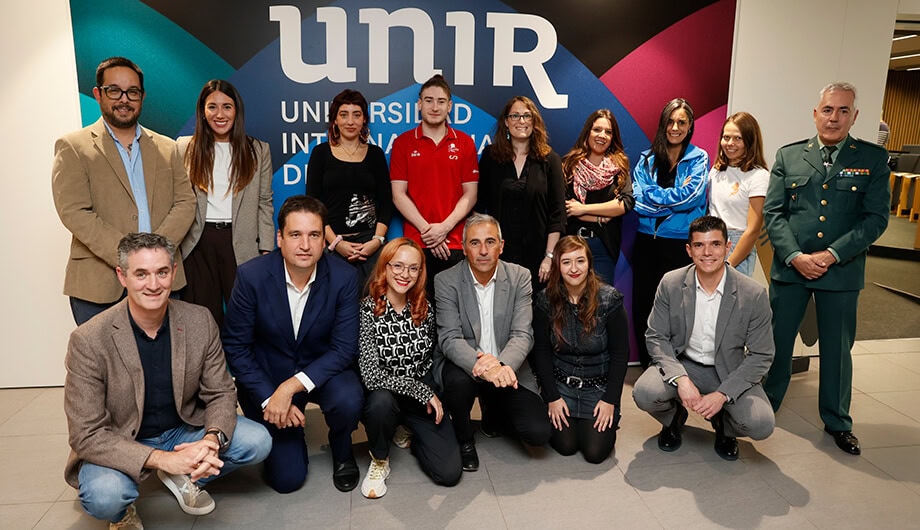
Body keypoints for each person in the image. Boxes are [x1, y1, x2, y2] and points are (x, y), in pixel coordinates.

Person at [63, 233, 271, 529]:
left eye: (162, 272)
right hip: (121, 438)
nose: (154, 284)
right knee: (105, 496)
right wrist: (160, 459)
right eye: (141, 274)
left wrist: (211, 440)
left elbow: (221, 392)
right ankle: (124, 512)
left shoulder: (199, 320)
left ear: (174, 272)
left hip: (181, 431)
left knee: (258, 441)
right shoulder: (89, 339)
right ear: (122, 276)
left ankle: (184, 473)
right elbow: (86, 434)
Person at [763, 82, 890, 456]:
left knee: (837, 350)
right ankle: (764, 407)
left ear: (854, 115)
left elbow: (875, 219)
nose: (834, 118)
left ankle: (837, 421)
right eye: (828, 110)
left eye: (843, 111)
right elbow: (774, 214)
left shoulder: (872, 159)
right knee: (777, 343)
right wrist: (796, 257)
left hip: (842, 271)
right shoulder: (789, 156)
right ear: (815, 113)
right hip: (792, 269)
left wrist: (833, 254)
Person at [222, 195, 364, 493]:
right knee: (287, 481)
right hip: (267, 379)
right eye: (295, 235)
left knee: (349, 397)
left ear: (324, 238)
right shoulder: (252, 276)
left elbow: (343, 348)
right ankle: (287, 435)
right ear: (280, 238)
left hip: (320, 370)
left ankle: (342, 449)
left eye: (314, 235)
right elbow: (236, 347)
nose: (305, 245)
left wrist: (291, 387)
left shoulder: (344, 277)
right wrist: (269, 397)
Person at [52, 56, 195, 325]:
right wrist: (130, 257)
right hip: (98, 286)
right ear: (98, 94)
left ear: (142, 96)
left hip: (162, 281)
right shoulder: (73, 147)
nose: (124, 99)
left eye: (132, 92)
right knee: (105, 366)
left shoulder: (168, 148)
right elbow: (73, 211)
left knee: (163, 364)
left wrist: (154, 256)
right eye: (114, 90)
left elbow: (186, 202)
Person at [632, 216, 775, 460]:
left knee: (761, 424)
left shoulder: (753, 293)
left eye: (715, 244)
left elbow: (762, 354)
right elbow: (656, 336)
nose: (707, 252)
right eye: (699, 245)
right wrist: (681, 379)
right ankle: (674, 419)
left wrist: (723, 394)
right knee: (644, 393)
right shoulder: (671, 283)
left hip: (728, 370)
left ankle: (724, 427)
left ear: (727, 247)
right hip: (685, 363)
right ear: (689, 250)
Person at [433, 213, 552, 472]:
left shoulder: (519, 276)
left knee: (538, 433)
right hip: (466, 365)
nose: (483, 250)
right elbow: (450, 339)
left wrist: (500, 365)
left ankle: (494, 410)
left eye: (490, 242)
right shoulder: (446, 281)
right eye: (475, 243)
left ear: (502, 246)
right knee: (457, 383)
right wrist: (487, 367)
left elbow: (523, 334)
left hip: (507, 365)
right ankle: (464, 439)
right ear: (463, 248)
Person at [358, 238, 462, 498]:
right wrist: (420, 391)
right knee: (380, 403)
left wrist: (434, 392)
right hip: (386, 395)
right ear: (385, 266)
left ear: (420, 272)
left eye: (413, 268)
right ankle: (380, 459)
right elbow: (371, 376)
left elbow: (438, 355)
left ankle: (410, 431)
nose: (405, 274)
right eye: (398, 266)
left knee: (449, 473)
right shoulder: (368, 309)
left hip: (421, 395)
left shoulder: (425, 307)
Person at [178, 79, 274, 328]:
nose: (219, 114)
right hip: (198, 243)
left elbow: (265, 202)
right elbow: (176, 201)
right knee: (201, 321)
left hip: (240, 242)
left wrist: (265, 249)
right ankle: (207, 368)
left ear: (237, 111)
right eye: (212, 107)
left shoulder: (258, 150)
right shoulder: (183, 148)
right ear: (202, 111)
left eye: (227, 107)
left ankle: (243, 369)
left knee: (246, 319)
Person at [530, 236, 629, 463]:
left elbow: (620, 354)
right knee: (566, 446)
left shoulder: (609, 300)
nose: (574, 269)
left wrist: (610, 400)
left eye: (580, 261)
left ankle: (606, 418)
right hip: (561, 386)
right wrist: (552, 397)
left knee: (594, 453)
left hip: (599, 389)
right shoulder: (545, 301)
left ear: (589, 264)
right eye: (566, 262)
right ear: (557, 266)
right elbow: (542, 353)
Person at [632, 98, 709, 368]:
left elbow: (692, 197)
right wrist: (665, 202)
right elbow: (637, 202)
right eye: (670, 121)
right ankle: (648, 365)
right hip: (646, 242)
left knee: (677, 308)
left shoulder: (699, 158)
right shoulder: (646, 159)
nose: (675, 127)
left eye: (682, 122)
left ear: (690, 127)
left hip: (678, 243)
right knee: (644, 305)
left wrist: (656, 199)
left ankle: (675, 366)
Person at [390, 74, 479, 295]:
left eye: (441, 101)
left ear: (449, 106)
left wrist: (444, 229)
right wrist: (428, 231)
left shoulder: (465, 143)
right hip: (415, 245)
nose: (434, 107)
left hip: (456, 243)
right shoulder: (403, 143)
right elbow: (398, 195)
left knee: (453, 315)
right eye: (428, 100)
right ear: (419, 104)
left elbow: (471, 194)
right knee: (418, 312)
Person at [476, 95, 565, 291]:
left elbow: (557, 214)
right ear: (506, 122)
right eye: (515, 116)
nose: (521, 121)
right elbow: (479, 206)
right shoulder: (491, 157)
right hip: (498, 256)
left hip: (538, 258)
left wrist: (549, 257)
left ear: (535, 122)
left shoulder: (550, 160)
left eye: (527, 115)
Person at [307, 89, 392, 293]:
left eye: (357, 114)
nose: (350, 121)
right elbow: (312, 205)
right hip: (332, 245)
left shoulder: (375, 154)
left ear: (364, 120)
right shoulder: (321, 153)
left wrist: (376, 241)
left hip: (370, 245)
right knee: (334, 309)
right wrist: (337, 243)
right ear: (334, 120)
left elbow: (387, 203)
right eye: (344, 114)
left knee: (372, 307)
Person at [561, 109, 635, 285]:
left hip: (604, 248)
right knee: (572, 307)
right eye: (597, 130)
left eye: (608, 132)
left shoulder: (619, 168)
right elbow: (566, 209)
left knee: (602, 306)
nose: (602, 135)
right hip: (572, 245)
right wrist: (602, 217)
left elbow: (625, 204)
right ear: (588, 132)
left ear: (612, 137)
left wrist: (583, 209)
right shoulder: (569, 165)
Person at [707, 112, 769, 276]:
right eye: (726, 137)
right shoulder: (716, 170)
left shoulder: (758, 176)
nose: (730, 143)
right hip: (710, 239)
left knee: (732, 300)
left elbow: (753, 229)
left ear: (749, 141)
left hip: (737, 246)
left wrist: (729, 263)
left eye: (737, 138)